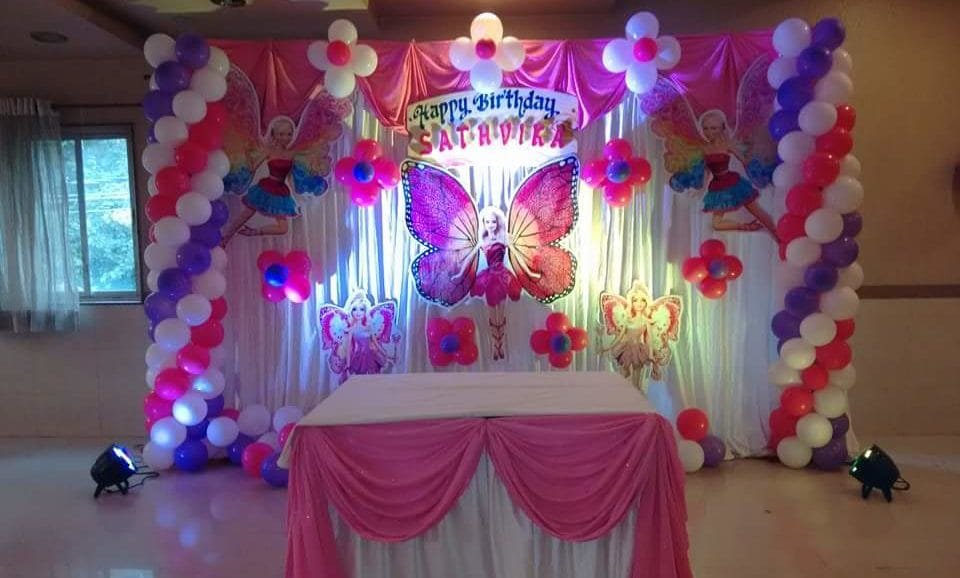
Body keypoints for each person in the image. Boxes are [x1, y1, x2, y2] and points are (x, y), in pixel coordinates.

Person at [452, 206, 538, 360]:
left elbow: (517, 256)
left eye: (493, 221)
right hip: (489, 279)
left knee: (501, 314)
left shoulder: (504, 238)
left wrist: (529, 272)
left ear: (498, 222)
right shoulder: (482, 241)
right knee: (492, 314)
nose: (491, 225)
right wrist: (459, 274)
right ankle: (495, 347)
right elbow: (470, 258)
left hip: (503, 277)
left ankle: (501, 346)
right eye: (487, 222)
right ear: (484, 223)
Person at [222, 116, 300, 243]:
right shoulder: (269, 151)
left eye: (289, 134)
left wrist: (297, 200)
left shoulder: (292, 154)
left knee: (283, 228)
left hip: (281, 192)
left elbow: (291, 177)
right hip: (266, 188)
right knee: (246, 214)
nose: (286, 138)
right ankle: (225, 238)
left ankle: (253, 232)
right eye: (281, 134)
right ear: (274, 135)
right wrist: (246, 154)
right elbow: (253, 167)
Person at [698, 110, 777, 235]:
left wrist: (757, 173)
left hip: (734, 184)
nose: (709, 132)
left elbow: (745, 161)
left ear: (722, 128)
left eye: (713, 128)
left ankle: (778, 234)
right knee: (716, 224)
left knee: (758, 212)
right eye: (705, 128)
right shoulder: (704, 149)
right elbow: (706, 172)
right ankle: (747, 227)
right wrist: (698, 187)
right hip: (717, 188)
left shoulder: (727, 144)